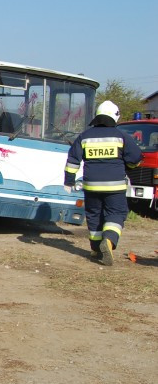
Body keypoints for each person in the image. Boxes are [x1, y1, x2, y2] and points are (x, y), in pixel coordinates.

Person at [64, 100, 142, 264]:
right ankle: (109, 240)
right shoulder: (121, 136)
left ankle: (96, 249)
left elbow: (73, 160)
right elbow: (135, 158)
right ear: (114, 116)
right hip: (115, 186)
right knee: (117, 213)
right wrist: (131, 166)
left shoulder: (84, 136)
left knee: (94, 215)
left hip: (91, 185)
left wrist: (69, 181)